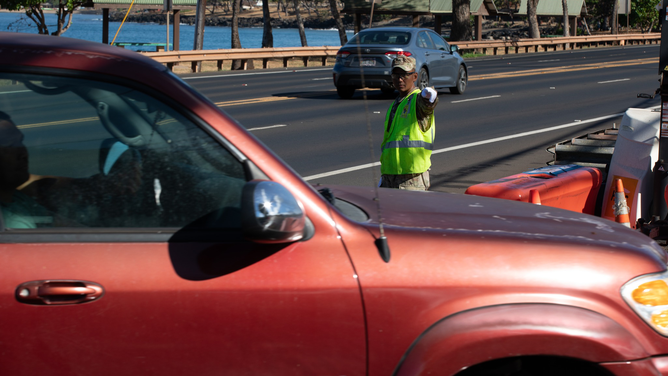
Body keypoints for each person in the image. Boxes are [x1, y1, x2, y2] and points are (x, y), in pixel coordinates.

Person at [380, 56, 438, 191]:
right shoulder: (396, 104)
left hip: (411, 179)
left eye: (405, 75)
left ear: (415, 76)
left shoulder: (417, 100)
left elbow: (427, 105)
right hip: (390, 176)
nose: (400, 79)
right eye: (396, 75)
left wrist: (429, 97)